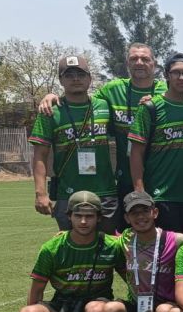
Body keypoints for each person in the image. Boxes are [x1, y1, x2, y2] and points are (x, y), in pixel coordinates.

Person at [39, 42, 167, 204]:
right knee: (125, 229)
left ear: (154, 64)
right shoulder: (113, 89)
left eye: (145, 59)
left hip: (163, 178)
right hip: (125, 179)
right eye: (134, 59)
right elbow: (82, 99)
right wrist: (52, 96)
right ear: (127, 63)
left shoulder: (166, 91)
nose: (139, 63)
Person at [29, 54, 118, 232]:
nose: (76, 79)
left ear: (90, 78)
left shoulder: (105, 106)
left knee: (108, 252)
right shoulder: (50, 112)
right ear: (61, 80)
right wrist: (41, 193)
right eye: (69, 75)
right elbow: (40, 154)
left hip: (105, 193)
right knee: (71, 252)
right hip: (68, 194)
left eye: (81, 74)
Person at [129, 53, 183, 236]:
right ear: (167, 76)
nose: (181, 77)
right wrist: (140, 192)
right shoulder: (150, 107)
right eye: (176, 72)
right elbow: (136, 153)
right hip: (161, 196)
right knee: (165, 255)